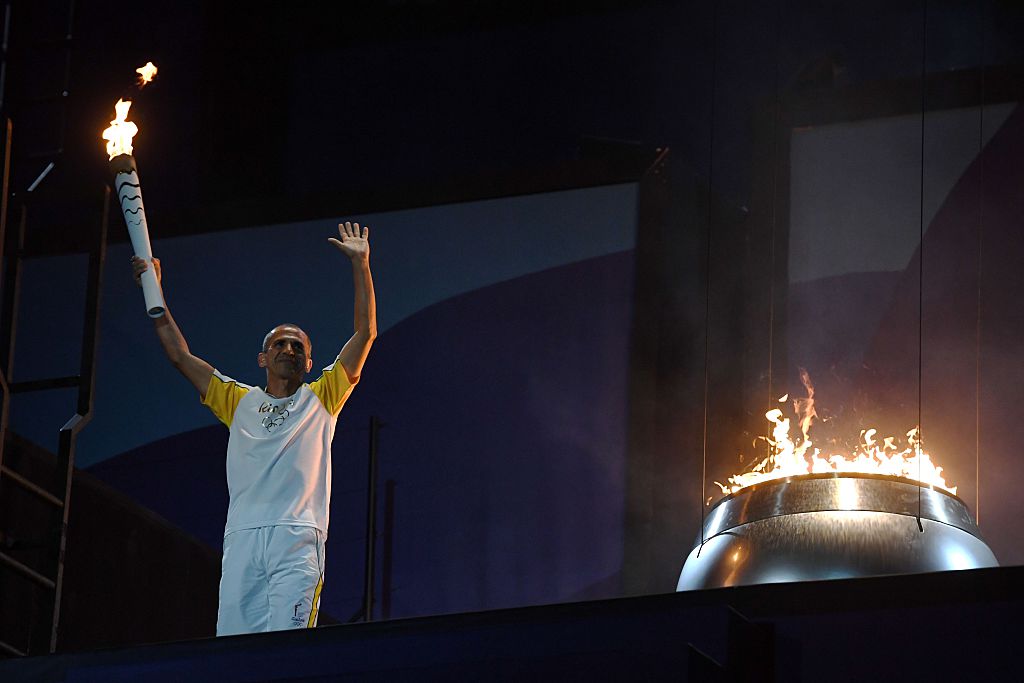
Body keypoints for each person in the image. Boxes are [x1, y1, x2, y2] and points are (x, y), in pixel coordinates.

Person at [132, 221, 376, 635]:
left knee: (287, 648)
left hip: (296, 541)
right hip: (242, 539)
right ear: (263, 358)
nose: (289, 350)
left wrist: (361, 265)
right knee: (233, 650)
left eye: (298, 346)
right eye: (279, 344)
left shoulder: (322, 397)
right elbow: (179, 355)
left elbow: (365, 332)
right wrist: (153, 292)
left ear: (309, 363)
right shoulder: (237, 400)